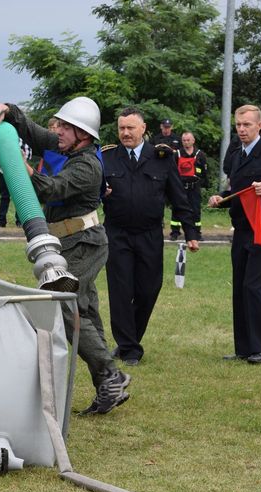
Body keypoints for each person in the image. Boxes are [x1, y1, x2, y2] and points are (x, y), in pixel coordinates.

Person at [0, 97, 130, 415]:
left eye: (66, 127)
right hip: (64, 241)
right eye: (60, 125)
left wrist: (21, 168)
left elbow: (50, 189)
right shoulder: (66, 146)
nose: (58, 131)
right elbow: (31, 131)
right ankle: (108, 385)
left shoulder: (87, 166)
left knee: (62, 302)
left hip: (84, 243)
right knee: (86, 312)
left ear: (84, 135)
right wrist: (6, 110)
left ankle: (111, 375)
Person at [102, 107, 199, 366]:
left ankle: (129, 339)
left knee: (148, 290)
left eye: (130, 128)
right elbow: (91, 193)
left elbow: (179, 196)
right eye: (121, 128)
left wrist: (191, 231)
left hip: (149, 235)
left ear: (143, 129)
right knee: (121, 292)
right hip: (117, 234)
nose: (125, 133)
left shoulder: (162, 157)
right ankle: (129, 347)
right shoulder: (107, 157)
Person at [208, 105, 261, 364]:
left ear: (259, 126)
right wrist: (223, 198)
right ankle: (243, 348)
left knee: (254, 286)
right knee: (240, 287)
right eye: (239, 125)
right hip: (241, 228)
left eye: (247, 125)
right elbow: (238, 192)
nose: (242, 129)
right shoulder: (235, 154)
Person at [169, 131, 209, 241]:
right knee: (177, 208)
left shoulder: (200, 154)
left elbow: (205, 171)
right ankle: (175, 232)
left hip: (194, 186)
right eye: (184, 140)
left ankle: (197, 233)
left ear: (193, 141)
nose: (186, 142)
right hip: (180, 186)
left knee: (195, 210)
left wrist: (204, 183)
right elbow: (172, 171)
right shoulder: (177, 154)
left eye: (188, 140)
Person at [0, 137, 31, 227]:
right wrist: (1, 169)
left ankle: (19, 221)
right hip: (4, 173)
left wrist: (20, 166)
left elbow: (28, 154)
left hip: (18, 172)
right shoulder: (2, 139)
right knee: (4, 197)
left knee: (19, 196)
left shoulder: (23, 141)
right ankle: (1, 221)